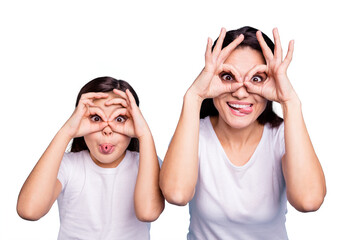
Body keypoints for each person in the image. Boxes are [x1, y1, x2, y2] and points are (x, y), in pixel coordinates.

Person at [159, 26, 326, 239]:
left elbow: (309, 200)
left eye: (256, 79)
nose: (240, 92)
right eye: (228, 77)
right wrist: (193, 96)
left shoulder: (282, 136)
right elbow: (177, 194)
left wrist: (290, 102)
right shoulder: (194, 133)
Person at [17, 76, 164, 239]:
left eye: (119, 119)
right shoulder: (68, 165)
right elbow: (29, 210)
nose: (107, 130)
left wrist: (144, 134)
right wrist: (67, 132)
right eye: (96, 118)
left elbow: (148, 212)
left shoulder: (146, 163)